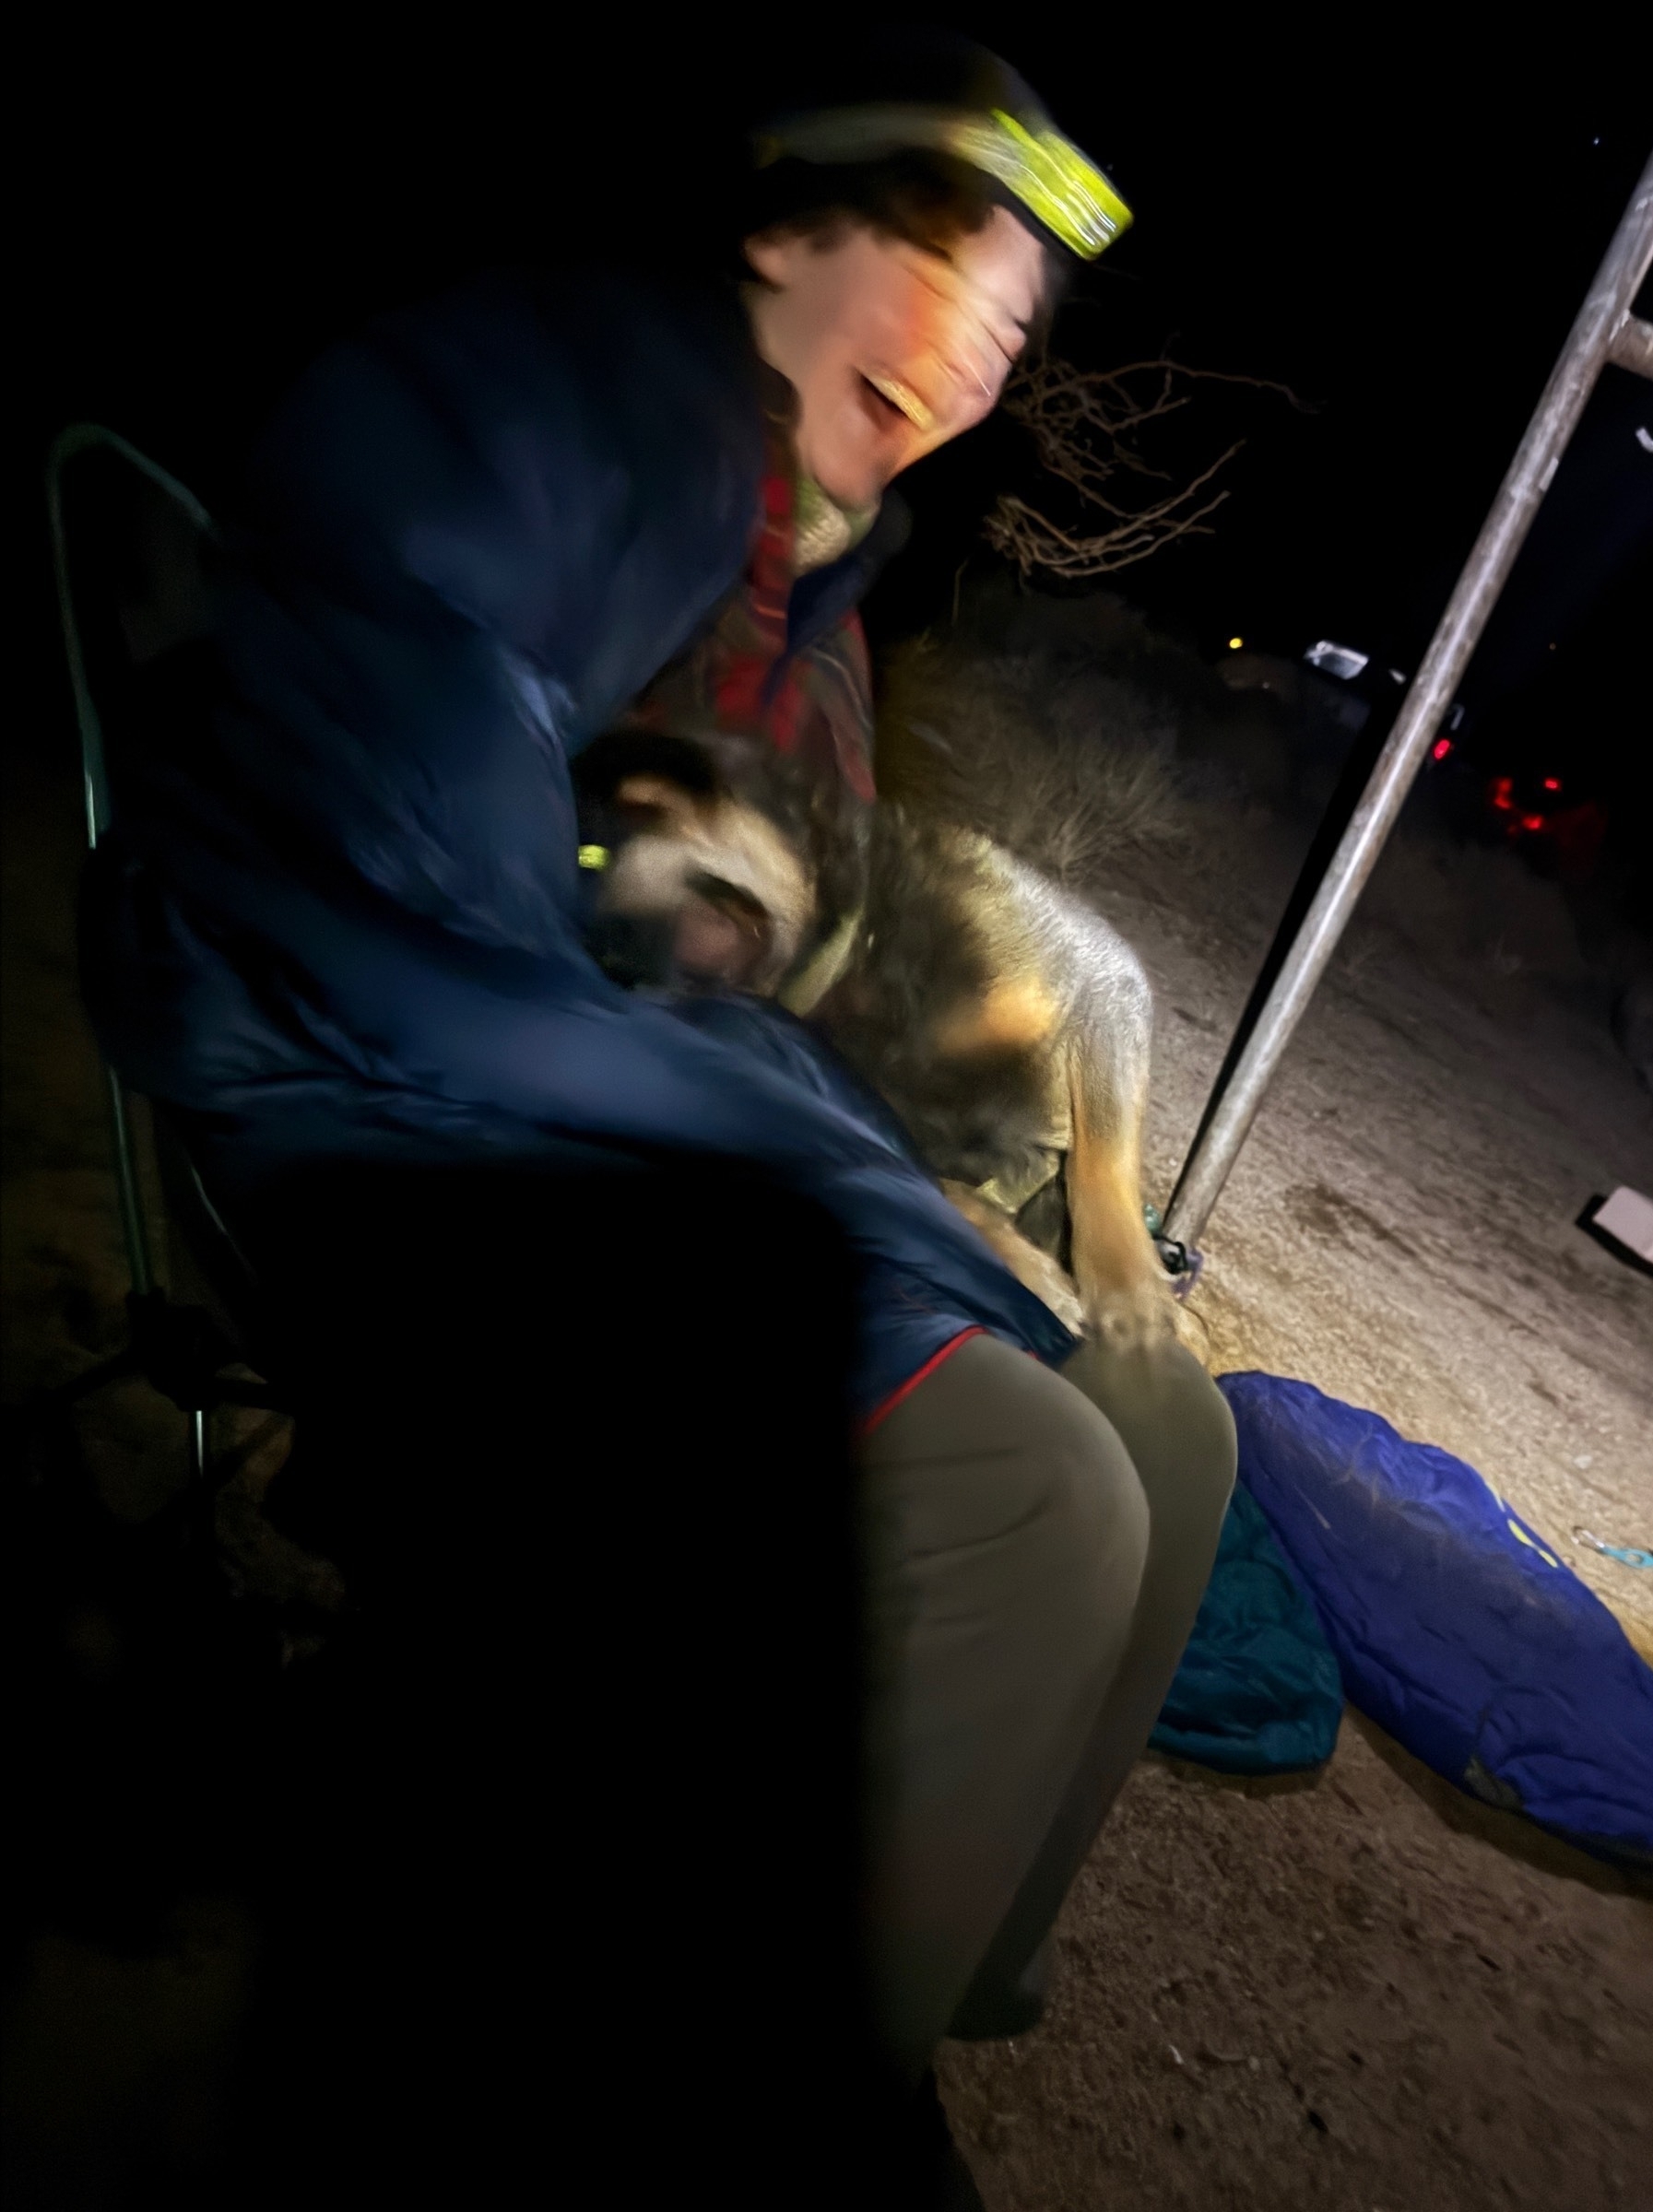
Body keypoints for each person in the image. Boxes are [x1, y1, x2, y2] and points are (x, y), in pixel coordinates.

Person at [79, 27, 1234, 2199]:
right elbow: (404, 876)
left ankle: (925, 1971)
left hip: (604, 1099)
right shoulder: (564, 404)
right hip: (394, 1136)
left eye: (1012, 332)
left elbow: (748, 925)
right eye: (946, 280)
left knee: (1171, 1424)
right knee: (1039, 1498)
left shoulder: (810, 576)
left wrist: (892, 1074)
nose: (978, 358)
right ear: (788, 228)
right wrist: (846, 1174)